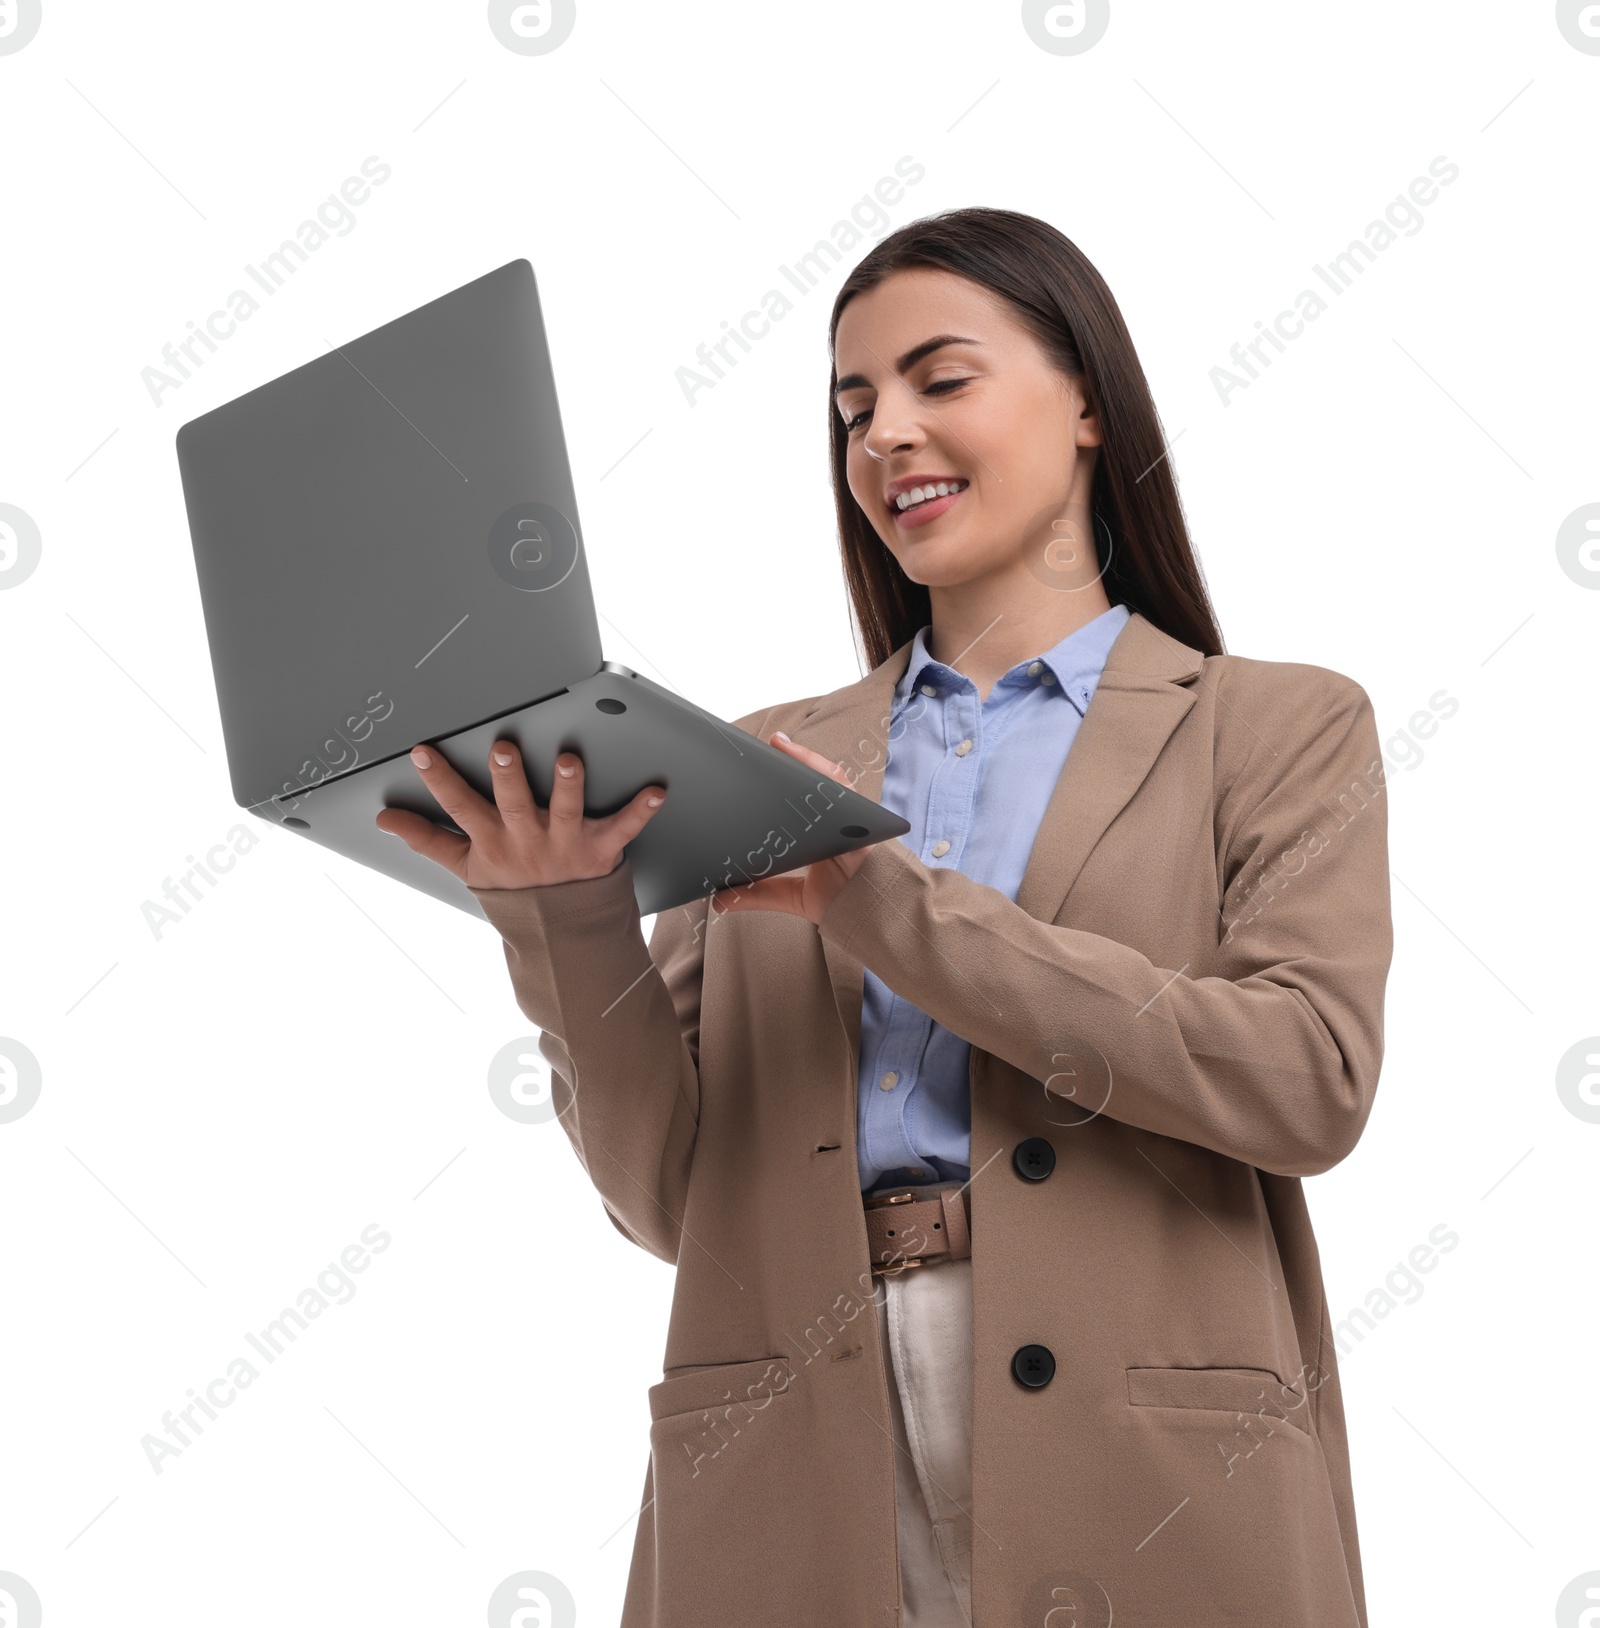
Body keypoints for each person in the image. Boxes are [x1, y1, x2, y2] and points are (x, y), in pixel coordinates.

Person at [376, 206, 1393, 1628]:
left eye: (940, 379)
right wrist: (567, 923)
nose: (885, 436)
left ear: (1088, 399)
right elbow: (675, 1199)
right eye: (854, 408)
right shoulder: (756, 760)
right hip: (796, 1435)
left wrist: (880, 902)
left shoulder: (1275, 729)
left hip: (1150, 1447)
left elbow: (1306, 1083)